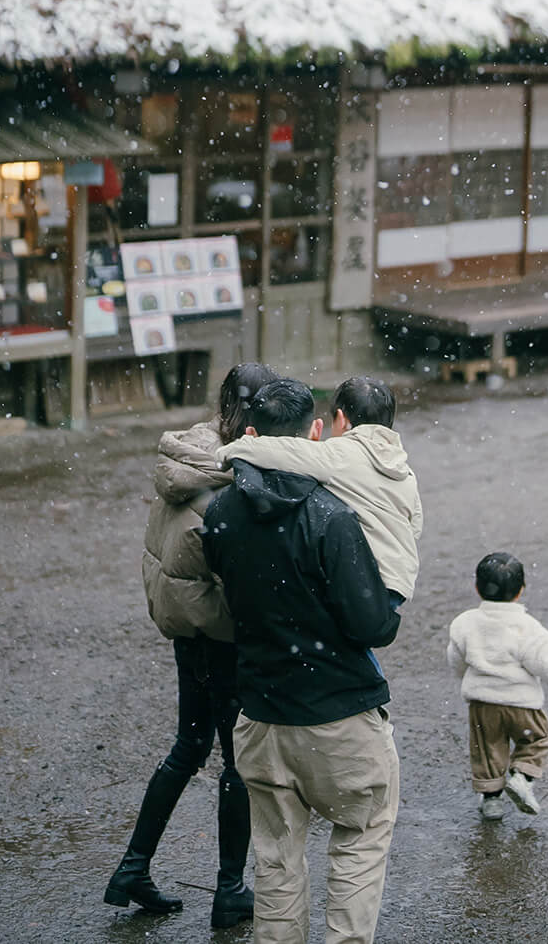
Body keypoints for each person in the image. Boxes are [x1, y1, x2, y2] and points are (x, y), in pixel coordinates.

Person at [202, 377, 402, 944]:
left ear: (248, 435)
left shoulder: (219, 514)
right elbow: (373, 627)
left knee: (276, 861)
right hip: (339, 716)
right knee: (360, 839)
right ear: (314, 433)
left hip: (262, 717)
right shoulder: (331, 516)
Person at [104, 360, 279, 924]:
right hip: (223, 637)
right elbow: (244, 580)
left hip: (188, 632)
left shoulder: (186, 460)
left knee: (189, 746)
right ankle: (230, 889)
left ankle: (133, 867)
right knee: (238, 762)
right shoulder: (232, 485)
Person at [218, 373, 423, 600]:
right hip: (399, 580)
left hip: (369, 580)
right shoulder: (404, 469)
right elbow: (414, 527)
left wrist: (232, 450)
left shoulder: (339, 454)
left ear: (342, 419)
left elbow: (284, 451)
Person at [446, 550, 548, 821]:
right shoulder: (528, 627)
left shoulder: (465, 623)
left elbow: (456, 659)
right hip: (521, 704)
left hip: (483, 705)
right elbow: (542, 662)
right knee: (539, 737)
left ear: (477, 588)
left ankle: (491, 800)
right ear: (521, 591)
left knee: (488, 749)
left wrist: (470, 678)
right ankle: (522, 776)